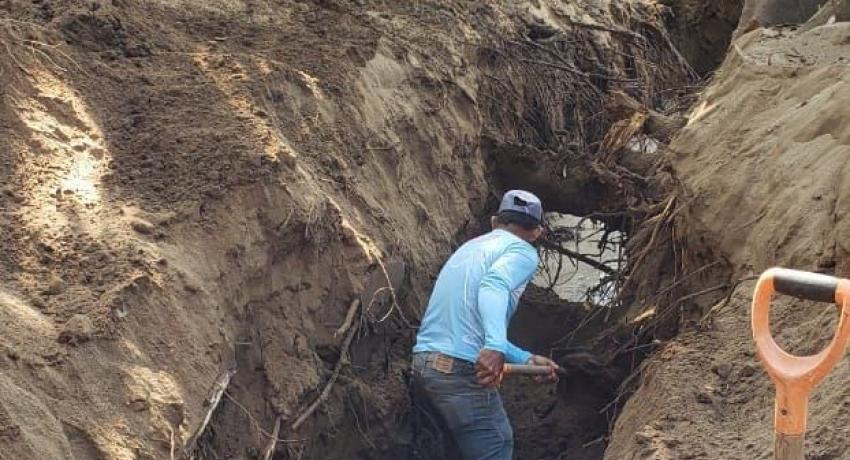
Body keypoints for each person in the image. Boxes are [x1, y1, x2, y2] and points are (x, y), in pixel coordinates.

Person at [411, 190, 559, 460]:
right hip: (458, 371)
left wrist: (525, 359)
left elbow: (470, 326)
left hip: (426, 365)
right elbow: (494, 285)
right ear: (536, 233)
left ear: (494, 222)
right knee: (497, 443)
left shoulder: (471, 248)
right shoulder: (522, 251)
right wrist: (493, 346)